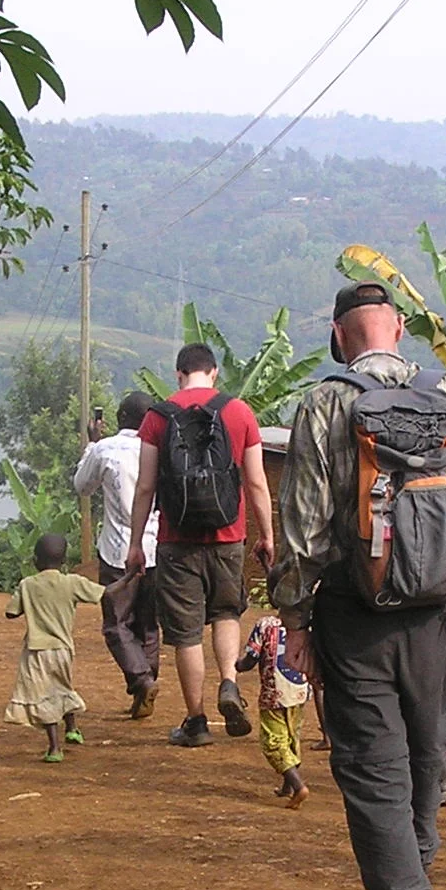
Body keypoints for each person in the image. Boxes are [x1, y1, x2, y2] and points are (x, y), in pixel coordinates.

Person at [275, 280, 446, 890]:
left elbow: (306, 528)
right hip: (440, 615)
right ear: (399, 330)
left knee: (372, 771)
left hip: (356, 614)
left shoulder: (324, 403)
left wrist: (297, 621)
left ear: (338, 336)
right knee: (423, 757)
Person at [126, 343, 275, 749]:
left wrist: (136, 543)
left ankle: (196, 721)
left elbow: (145, 486)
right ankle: (229, 680)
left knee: (187, 634)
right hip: (229, 535)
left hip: (177, 541)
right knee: (226, 612)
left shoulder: (158, 417)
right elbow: (257, 481)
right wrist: (267, 535)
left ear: (178, 375)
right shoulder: (239, 411)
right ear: (214, 372)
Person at [73, 391, 162, 717]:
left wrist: (91, 445)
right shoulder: (162, 448)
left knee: (116, 623)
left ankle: (141, 680)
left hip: (118, 551)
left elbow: (82, 486)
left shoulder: (105, 448)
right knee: (149, 624)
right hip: (156, 549)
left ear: (119, 418)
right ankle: (146, 682)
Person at [3, 533, 105, 763]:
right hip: (63, 649)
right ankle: (72, 729)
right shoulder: (72, 582)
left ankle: (54, 748)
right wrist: (131, 579)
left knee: (45, 695)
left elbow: (10, 612)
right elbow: (105, 593)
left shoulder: (27, 585)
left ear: (35, 560)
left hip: (37, 651)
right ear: (64, 561)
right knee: (62, 686)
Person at [236, 586, 311, 807]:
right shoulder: (307, 625)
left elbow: (250, 659)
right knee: (291, 736)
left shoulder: (266, 625)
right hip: (298, 691)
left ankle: (298, 786)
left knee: (273, 742)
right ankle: (288, 786)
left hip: (273, 694)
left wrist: (236, 666)